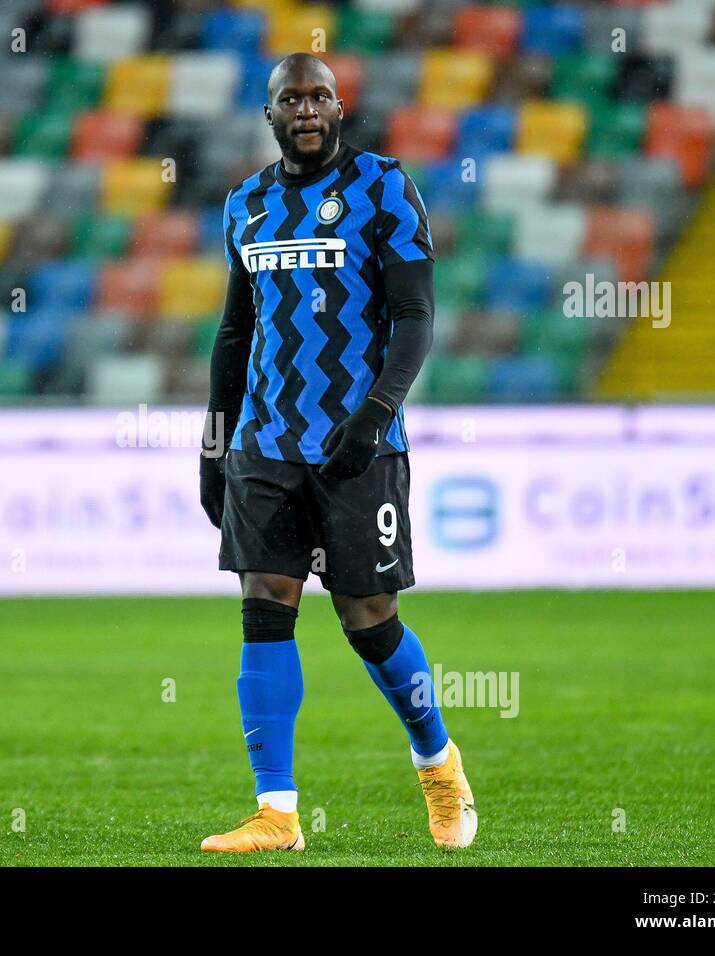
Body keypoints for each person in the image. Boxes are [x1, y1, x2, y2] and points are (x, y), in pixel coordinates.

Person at [198, 53, 476, 853]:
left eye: (319, 95)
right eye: (292, 98)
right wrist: (215, 444)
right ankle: (277, 813)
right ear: (272, 115)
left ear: (340, 107)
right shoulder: (246, 205)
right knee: (264, 608)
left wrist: (376, 411)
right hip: (266, 444)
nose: (307, 108)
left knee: (368, 618)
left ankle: (437, 762)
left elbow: (415, 314)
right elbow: (232, 334)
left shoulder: (384, 187)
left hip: (360, 446)